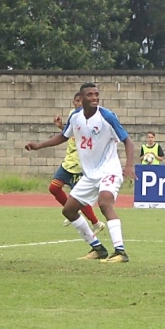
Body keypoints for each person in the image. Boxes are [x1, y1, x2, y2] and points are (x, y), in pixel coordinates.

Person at [25, 83, 136, 263]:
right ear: (81, 99)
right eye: (90, 95)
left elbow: (128, 141)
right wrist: (39, 145)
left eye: (96, 94)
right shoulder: (76, 116)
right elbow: (63, 136)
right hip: (90, 174)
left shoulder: (106, 116)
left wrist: (129, 166)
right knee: (68, 210)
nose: (94, 98)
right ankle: (97, 248)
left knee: (104, 203)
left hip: (109, 170)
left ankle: (120, 251)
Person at [51, 92, 106, 235]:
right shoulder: (73, 115)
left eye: (82, 101)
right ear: (73, 102)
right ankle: (74, 213)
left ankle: (95, 222)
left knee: (78, 197)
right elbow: (69, 134)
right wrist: (61, 127)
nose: (80, 104)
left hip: (79, 163)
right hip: (68, 161)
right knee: (54, 188)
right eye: (77, 101)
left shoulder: (90, 118)